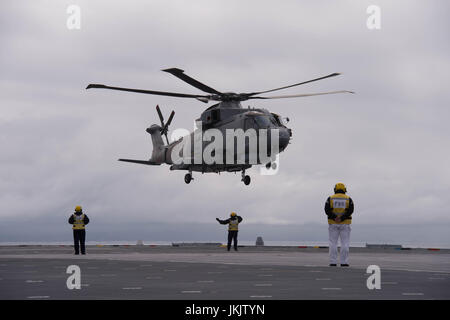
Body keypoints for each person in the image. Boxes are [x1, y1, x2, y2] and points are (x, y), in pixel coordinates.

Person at [324, 183, 354, 267]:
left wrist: (334, 217)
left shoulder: (330, 198)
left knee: (333, 243)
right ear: (344, 189)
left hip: (333, 223)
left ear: (335, 189)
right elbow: (351, 210)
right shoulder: (348, 199)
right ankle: (344, 262)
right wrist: (342, 218)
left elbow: (327, 210)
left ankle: (333, 262)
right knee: (345, 243)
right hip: (345, 223)